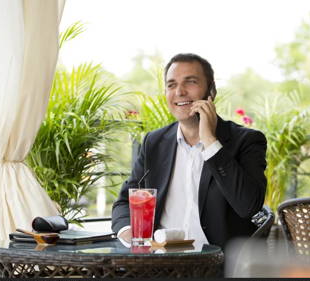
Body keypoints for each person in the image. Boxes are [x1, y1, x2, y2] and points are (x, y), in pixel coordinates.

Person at [112, 53, 267, 248]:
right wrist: (130, 234)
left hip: (218, 266)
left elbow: (248, 207)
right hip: (159, 264)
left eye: (190, 82)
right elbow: (125, 202)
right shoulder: (154, 142)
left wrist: (210, 142)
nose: (179, 91)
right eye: (171, 84)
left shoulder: (247, 141)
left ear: (211, 91)